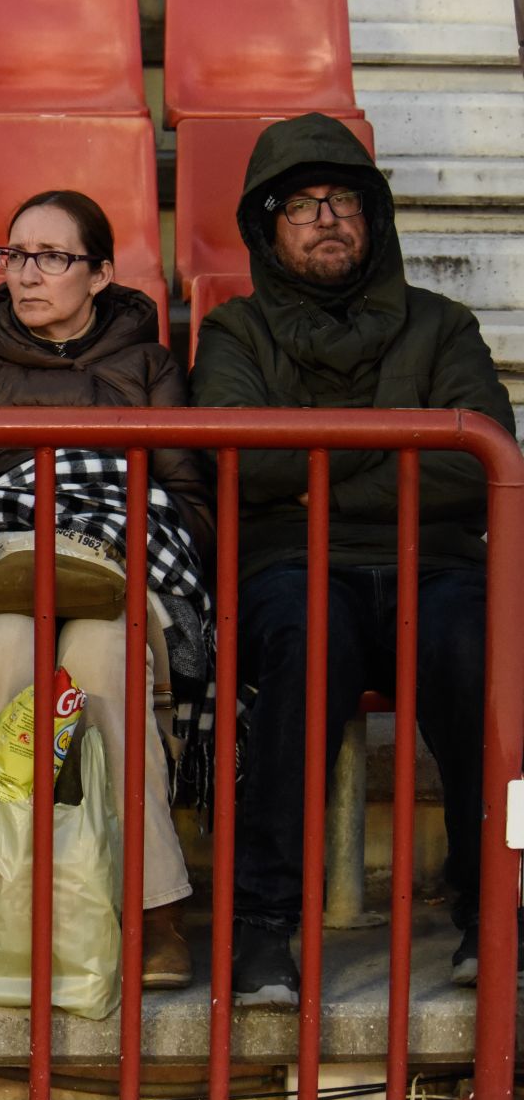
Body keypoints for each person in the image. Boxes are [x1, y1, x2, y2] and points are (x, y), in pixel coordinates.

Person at [190, 113, 517, 1005]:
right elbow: (239, 461)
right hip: (294, 571)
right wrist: (400, 449)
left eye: (344, 201)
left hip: (437, 566)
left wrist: (314, 467)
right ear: (267, 228)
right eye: (302, 205)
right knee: (304, 639)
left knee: (475, 645)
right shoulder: (234, 332)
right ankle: (263, 931)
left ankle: (492, 915)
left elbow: (480, 455)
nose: (327, 218)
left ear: (374, 219)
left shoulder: (443, 325)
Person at [0, 190, 215, 993]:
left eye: (53, 258)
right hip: (2, 572)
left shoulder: (148, 364)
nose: (29, 275)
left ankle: (153, 908)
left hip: (120, 574)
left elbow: (190, 500)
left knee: (100, 660)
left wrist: (120, 528)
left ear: (99, 274)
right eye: (16, 255)